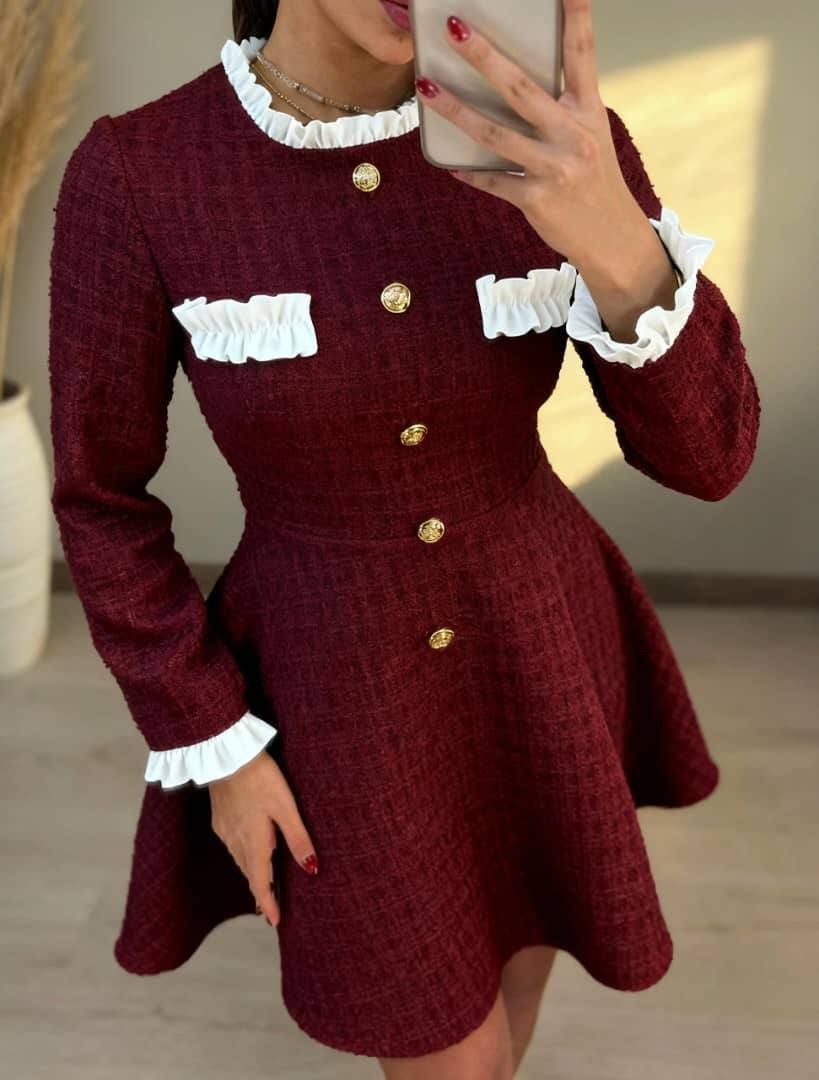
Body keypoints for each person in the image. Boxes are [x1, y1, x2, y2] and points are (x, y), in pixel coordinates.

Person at [47, 1, 761, 1077]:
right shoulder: (142, 173)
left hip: (542, 649)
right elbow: (100, 498)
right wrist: (217, 740)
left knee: (514, 987)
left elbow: (710, 457)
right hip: (333, 693)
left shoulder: (555, 140)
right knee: (450, 1052)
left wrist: (615, 236)